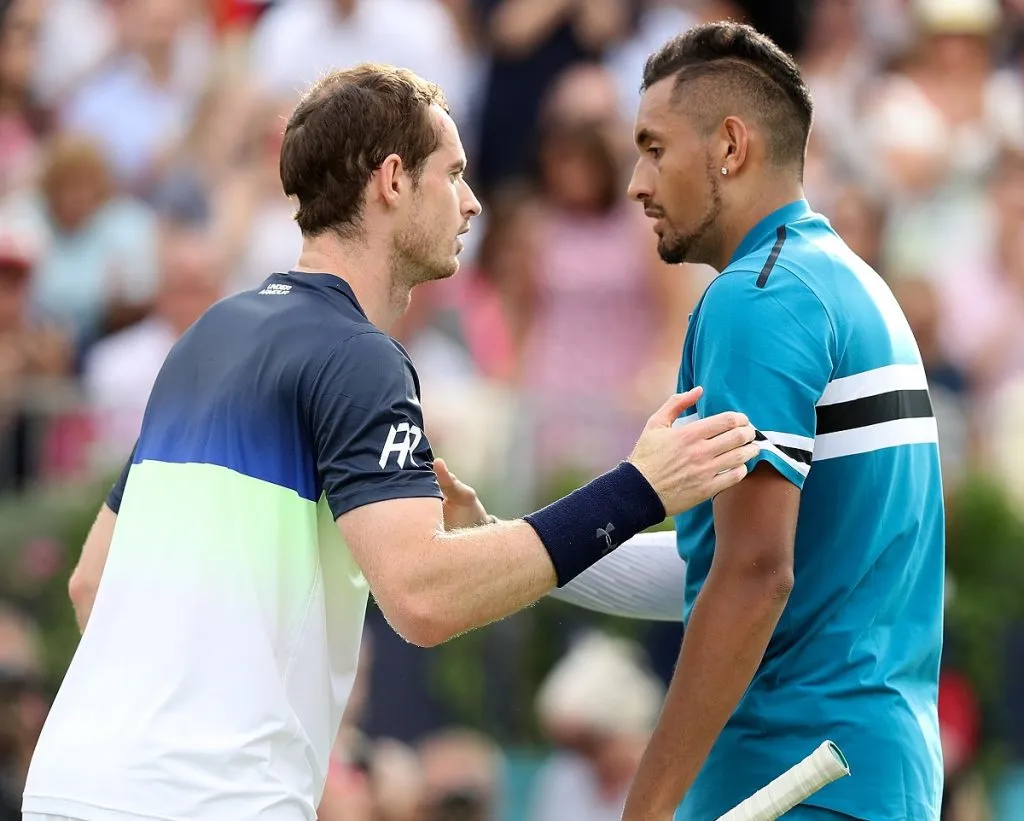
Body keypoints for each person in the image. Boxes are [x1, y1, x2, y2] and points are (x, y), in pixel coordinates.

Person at [20, 64, 759, 821]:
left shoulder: (207, 334)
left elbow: (90, 583)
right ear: (394, 179)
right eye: (455, 174)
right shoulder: (359, 355)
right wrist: (639, 489)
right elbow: (422, 595)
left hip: (73, 782)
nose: (472, 202)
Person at [617, 22, 945, 821]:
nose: (636, 181)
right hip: (870, 777)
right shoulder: (848, 282)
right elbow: (725, 563)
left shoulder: (759, 297)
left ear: (731, 146)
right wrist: (524, 549)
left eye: (654, 147)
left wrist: (647, 805)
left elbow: (756, 575)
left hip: (792, 779)